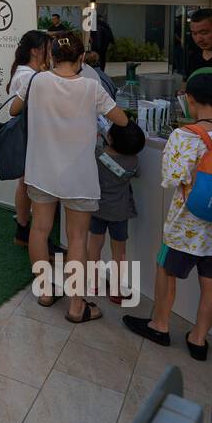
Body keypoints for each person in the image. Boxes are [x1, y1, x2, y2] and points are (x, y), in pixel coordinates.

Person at [124, 72, 212, 360]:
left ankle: (159, 325)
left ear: (191, 100)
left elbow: (171, 178)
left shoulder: (183, 136)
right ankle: (198, 339)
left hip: (187, 224)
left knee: (166, 270)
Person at [9, 32, 129, 322]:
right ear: (80, 59)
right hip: (78, 176)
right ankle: (77, 306)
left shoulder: (36, 81)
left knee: (40, 231)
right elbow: (122, 120)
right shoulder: (91, 87)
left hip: (41, 171)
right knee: (77, 238)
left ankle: (45, 291)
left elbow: (14, 109)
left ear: (51, 57)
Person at [88, 120, 145, 304]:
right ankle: (115, 289)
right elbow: (138, 174)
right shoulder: (133, 161)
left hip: (98, 209)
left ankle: (94, 284)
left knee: (94, 246)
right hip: (120, 212)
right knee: (119, 252)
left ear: (110, 137)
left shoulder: (97, 155)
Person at [7, 30, 50, 246]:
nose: (51, 53)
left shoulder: (26, 72)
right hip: (30, 137)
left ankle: (23, 228)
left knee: (24, 183)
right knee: (28, 185)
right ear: (35, 51)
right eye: (47, 48)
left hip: (29, 137)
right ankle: (26, 230)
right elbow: (15, 109)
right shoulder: (28, 76)